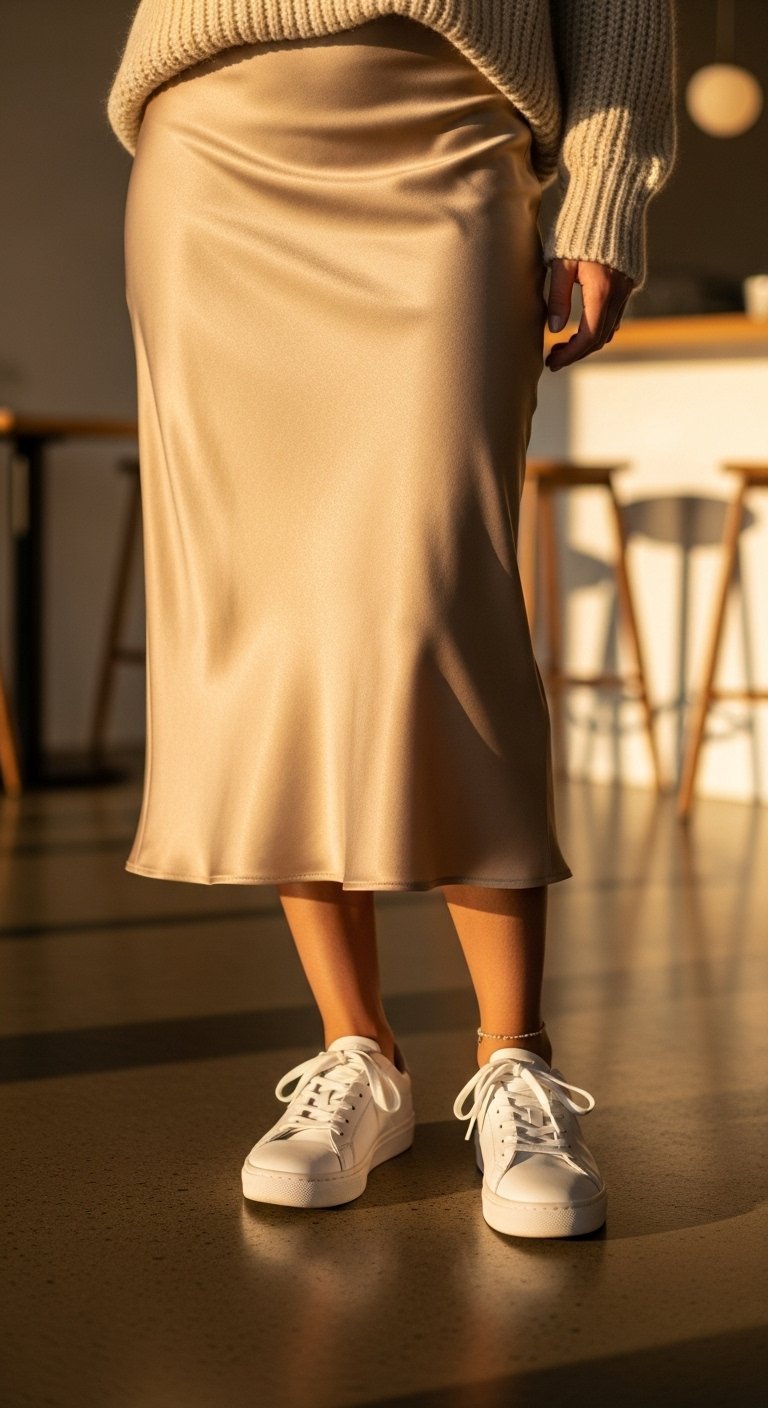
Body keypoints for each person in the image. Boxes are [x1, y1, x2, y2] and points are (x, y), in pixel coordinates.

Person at [106, 1, 677, 1238]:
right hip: (213, 147)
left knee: (441, 603)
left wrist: (603, 193)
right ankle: (356, 1052)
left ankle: (515, 1060)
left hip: (447, 127)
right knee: (265, 620)